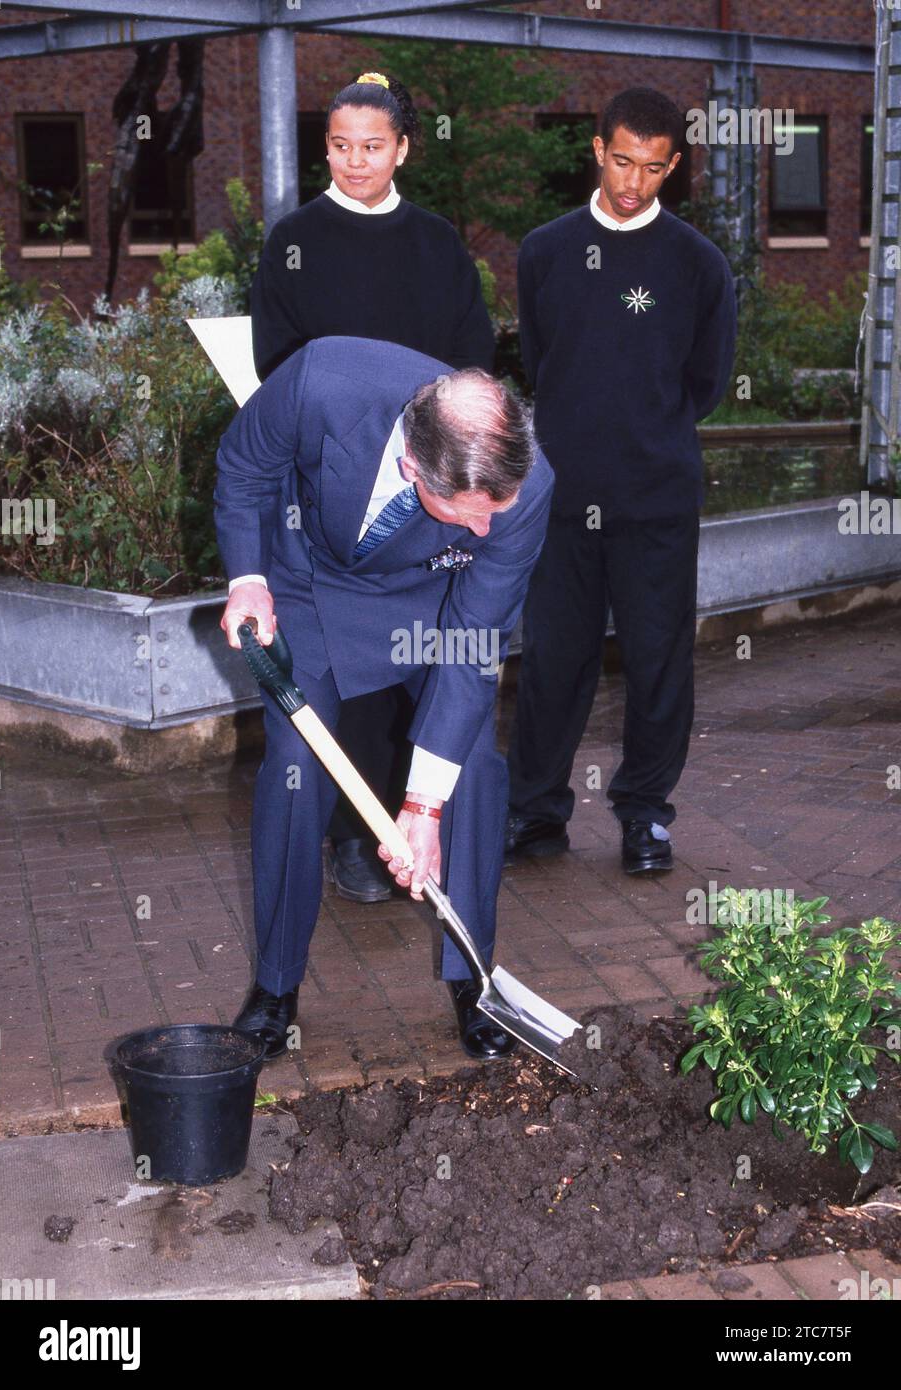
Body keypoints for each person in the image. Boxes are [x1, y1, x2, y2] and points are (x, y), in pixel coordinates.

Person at [214, 335, 553, 1061]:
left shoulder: (523, 491)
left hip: (434, 601)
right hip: (307, 580)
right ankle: (276, 985)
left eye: (500, 508)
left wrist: (422, 805)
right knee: (295, 771)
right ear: (412, 469)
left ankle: (473, 978)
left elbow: (472, 648)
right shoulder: (320, 382)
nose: (489, 527)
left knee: (476, 769)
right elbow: (244, 467)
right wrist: (248, 576)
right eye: (468, 511)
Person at [248, 73, 494, 907]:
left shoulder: (436, 243)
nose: (357, 162)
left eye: (374, 147)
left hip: (427, 493)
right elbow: (275, 365)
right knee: (345, 675)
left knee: (418, 667)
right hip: (332, 487)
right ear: (326, 147)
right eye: (341, 146)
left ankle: (417, 823)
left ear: (403, 149)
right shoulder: (293, 239)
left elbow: (472, 359)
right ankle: (355, 836)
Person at [504, 86, 737, 873]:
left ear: (672, 168)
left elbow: (704, 384)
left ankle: (645, 816)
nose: (634, 182)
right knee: (551, 662)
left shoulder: (698, 265)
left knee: (657, 660)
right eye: (623, 160)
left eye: (655, 168)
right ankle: (535, 813)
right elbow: (543, 363)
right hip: (561, 498)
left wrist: (643, 434)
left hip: (656, 499)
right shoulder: (544, 251)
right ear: (597, 150)